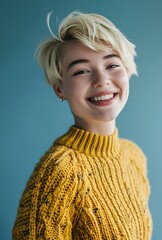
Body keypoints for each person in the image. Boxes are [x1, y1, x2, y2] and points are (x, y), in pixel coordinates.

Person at [12, 11, 152, 239]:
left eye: (112, 65)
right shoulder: (59, 171)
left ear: (127, 70)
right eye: (82, 71)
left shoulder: (134, 157)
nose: (102, 80)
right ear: (60, 89)